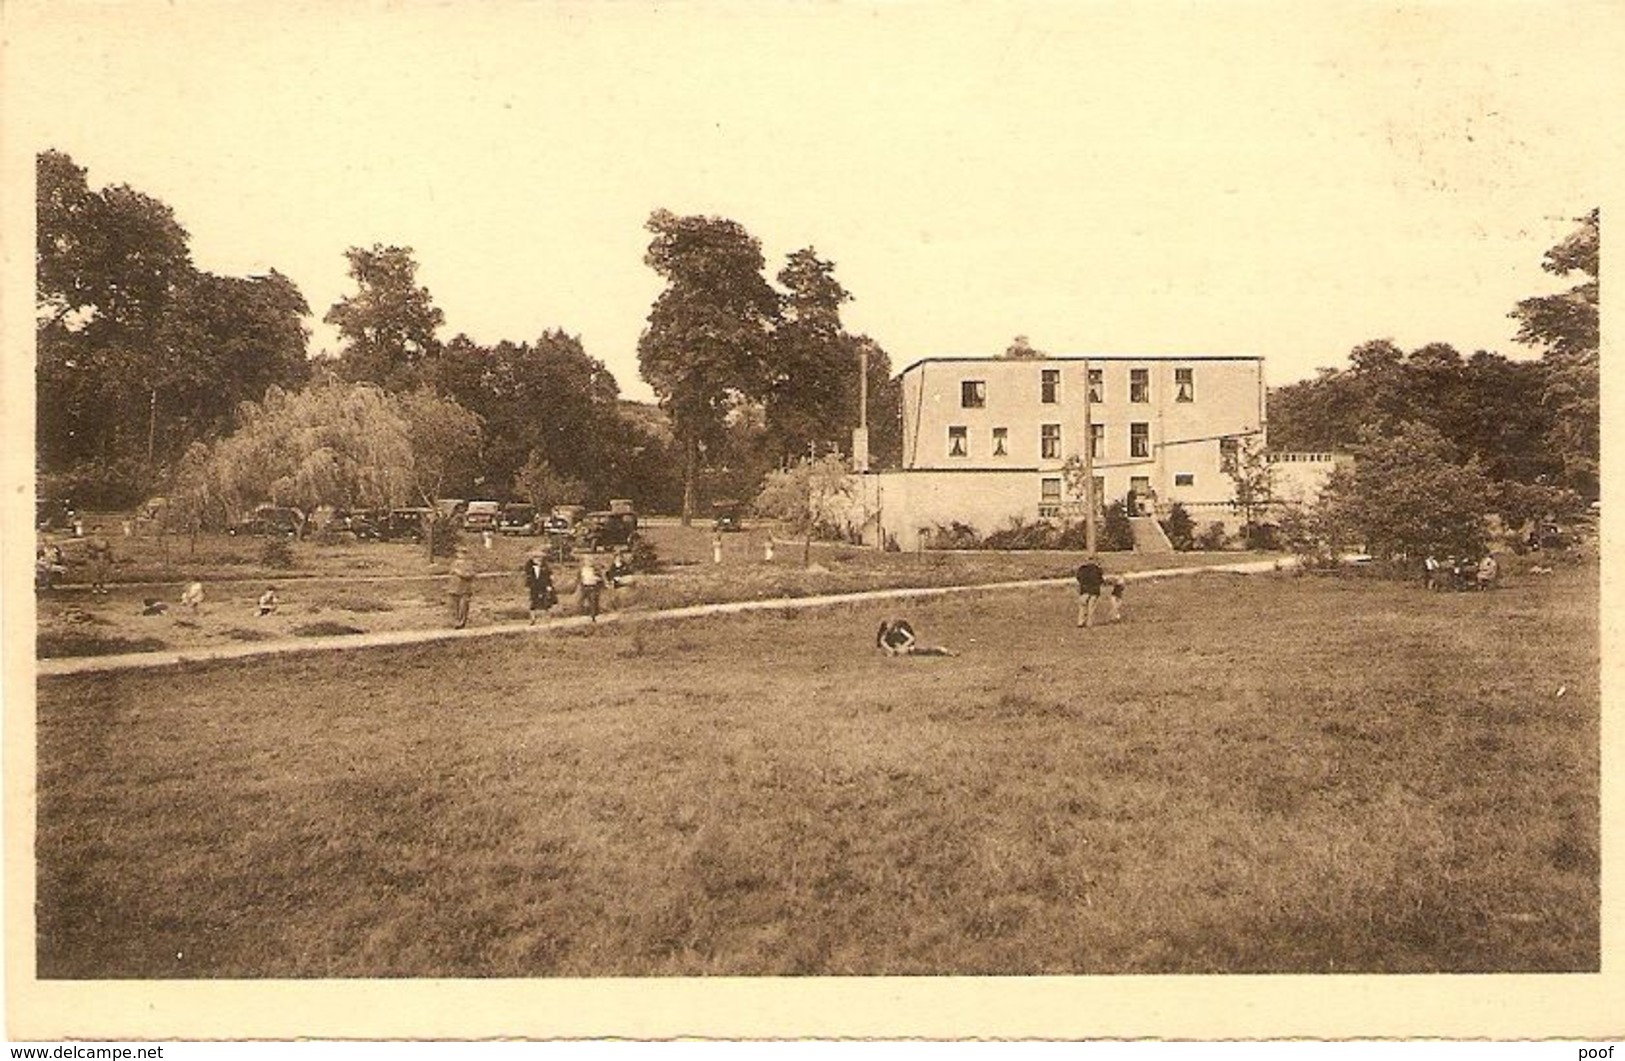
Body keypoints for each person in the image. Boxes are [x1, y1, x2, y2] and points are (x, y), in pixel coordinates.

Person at [875, 618, 957, 657]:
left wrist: (904, 646)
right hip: (901, 650)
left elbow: (911, 638)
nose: (892, 630)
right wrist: (891, 650)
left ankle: (947, 651)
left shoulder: (899, 629)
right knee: (927, 653)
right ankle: (946, 652)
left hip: (909, 647)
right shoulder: (885, 634)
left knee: (929, 649)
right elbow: (882, 642)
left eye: (892, 628)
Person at [447, 548, 477, 629]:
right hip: (454, 587)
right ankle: (454, 622)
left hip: (464, 588)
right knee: (453, 606)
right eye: (459, 553)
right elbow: (450, 573)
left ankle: (461, 622)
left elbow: (470, 575)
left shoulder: (469, 564)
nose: (461, 555)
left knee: (463, 606)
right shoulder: (454, 563)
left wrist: (460, 573)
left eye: (463, 553)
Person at [523, 553, 556, 624]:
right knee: (533, 602)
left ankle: (548, 619)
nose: (538, 560)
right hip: (534, 587)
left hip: (543, 586)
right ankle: (532, 619)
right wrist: (527, 586)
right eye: (535, 558)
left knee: (546, 602)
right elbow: (528, 578)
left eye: (539, 558)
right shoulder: (529, 568)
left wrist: (549, 586)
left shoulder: (545, 568)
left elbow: (549, 578)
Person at [1075, 554, 1105, 628]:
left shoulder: (1082, 569)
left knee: (1082, 606)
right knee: (1091, 607)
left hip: (1084, 590)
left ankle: (1080, 621)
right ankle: (1089, 623)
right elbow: (1101, 580)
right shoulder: (1097, 569)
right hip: (1094, 590)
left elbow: (1078, 578)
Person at [83, 525, 113, 595]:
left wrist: (108, 555)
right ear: (93, 531)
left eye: (100, 530)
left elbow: (108, 548)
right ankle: (94, 587)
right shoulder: (90, 540)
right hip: (93, 557)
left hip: (102, 557)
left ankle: (102, 587)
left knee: (102, 572)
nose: (99, 531)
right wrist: (91, 552)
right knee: (94, 572)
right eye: (97, 530)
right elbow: (86, 549)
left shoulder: (105, 539)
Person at [577, 556, 604, 622]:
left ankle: (593, 616)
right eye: (587, 561)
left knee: (593, 601)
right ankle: (583, 614)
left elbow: (601, 579)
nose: (588, 563)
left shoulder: (595, 570)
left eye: (590, 561)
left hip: (593, 587)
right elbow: (579, 578)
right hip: (585, 586)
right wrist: (581, 583)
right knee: (582, 601)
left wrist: (597, 580)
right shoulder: (582, 569)